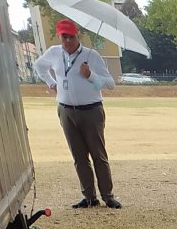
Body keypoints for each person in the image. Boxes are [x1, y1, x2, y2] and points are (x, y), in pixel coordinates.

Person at [32, 19, 122, 209]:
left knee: (98, 155)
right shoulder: (54, 53)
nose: (68, 41)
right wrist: (51, 83)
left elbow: (110, 85)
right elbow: (39, 66)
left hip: (91, 110)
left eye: (71, 36)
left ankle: (108, 195)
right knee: (79, 157)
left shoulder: (92, 56)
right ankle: (89, 197)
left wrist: (91, 75)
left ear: (78, 35)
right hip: (66, 110)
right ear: (59, 37)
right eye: (64, 37)